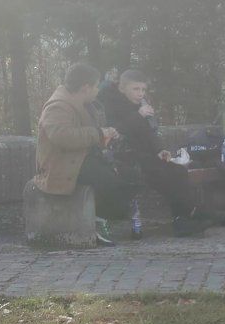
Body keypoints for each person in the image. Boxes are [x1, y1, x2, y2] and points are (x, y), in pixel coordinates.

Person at [100, 69, 208, 237]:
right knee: (163, 173)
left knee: (177, 171)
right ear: (122, 88)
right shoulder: (111, 105)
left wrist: (160, 150)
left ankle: (184, 218)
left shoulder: (140, 105)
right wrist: (138, 115)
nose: (140, 94)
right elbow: (115, 132)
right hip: (124, 158)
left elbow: (150, 132)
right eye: (136, 89)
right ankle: (185, 219)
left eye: (143, 89)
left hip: (144, 155)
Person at [34, 62, 122, 246]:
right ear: (85, 87)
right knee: (107, 180)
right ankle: (96, 223)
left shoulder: (82, 104)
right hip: (61, 165)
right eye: (96, 86)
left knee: (122, 172)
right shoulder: (58, 106)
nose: (98, 90)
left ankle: (104, 218)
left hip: (76, 158)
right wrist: (98, 134)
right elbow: (62, 136)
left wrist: (104, 135)